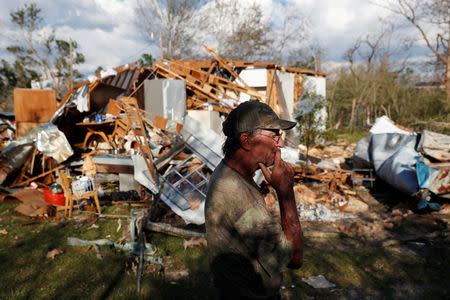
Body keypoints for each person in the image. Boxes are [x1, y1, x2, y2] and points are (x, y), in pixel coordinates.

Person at [205, 101, 303, 300]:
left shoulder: (228, 172)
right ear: (247, 141)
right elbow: (293, 258)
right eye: (275, 136)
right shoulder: (238, 194)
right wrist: (286, 193)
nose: (281, 144)